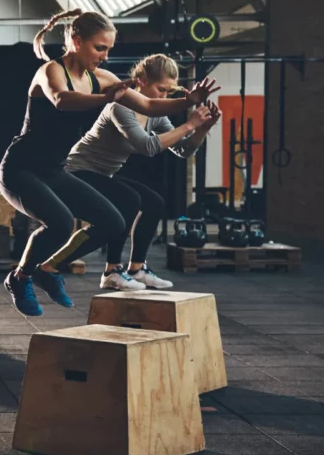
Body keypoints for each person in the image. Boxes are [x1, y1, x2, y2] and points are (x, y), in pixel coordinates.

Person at [0, 8, 218, 316]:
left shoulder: (101, 78)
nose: (104, 56)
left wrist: (188, 102)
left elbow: (151, 104)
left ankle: (47, 271)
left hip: (54, 171)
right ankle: (20, 279)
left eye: (109, 50)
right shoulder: (50, 71)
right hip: (19, 169)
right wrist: (106, 99)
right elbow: (62, 100)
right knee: (60, 223)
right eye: (99, 48)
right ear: (76, 41)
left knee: (112, 222)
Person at [60, 53, 221, 291]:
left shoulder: (155, 115)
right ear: (142, 81)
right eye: (161, 89)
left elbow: (182, 150)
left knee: (154, 202)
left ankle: (136, 268)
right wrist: (189, 125)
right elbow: (147, 146)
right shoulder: (119, 107)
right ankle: (112, 271)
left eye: (168, 91)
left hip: (103, 175)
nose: (164, 96)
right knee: (129, 200)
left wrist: (200, 130)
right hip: (77, 173)